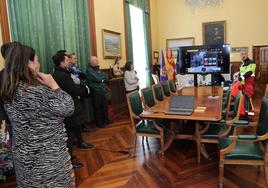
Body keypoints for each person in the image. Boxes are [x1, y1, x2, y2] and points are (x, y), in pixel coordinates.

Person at [0, 44, 75, 187]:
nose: (39, 64)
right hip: (47, 162)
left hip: (24, 158)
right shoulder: (38, 92)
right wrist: (54, 85)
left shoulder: (9, 90)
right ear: (27, 64)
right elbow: (68, 108)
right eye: (37, 60)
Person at [52, 50, 93, 169]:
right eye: (67, 60)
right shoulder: (63, 75)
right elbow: (74, 91)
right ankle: (69, 161)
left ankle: (70, 155)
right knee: (70, 136)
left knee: (71, 133)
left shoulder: (59, 73)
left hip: (67, 107)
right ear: (61, 62)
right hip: (70, 108)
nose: (69, 61)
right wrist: (84, 90)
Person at [86, 56, 111, 128]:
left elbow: (105, 76)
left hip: (102, 90)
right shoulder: (89, 70)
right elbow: (99, 79)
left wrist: (102, 78)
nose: (98, 61)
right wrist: (102, 78)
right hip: (96, 91)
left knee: (104, 106)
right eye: (96, 60)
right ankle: (99, 123)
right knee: (98, 108)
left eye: (97, 60)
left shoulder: (97, 68)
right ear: (91, 62)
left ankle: (106, 120)